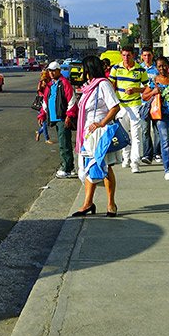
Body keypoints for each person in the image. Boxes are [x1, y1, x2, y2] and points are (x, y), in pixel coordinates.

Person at [71, 52, 122, 216]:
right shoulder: (88, 86)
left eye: (83, 69)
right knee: (88, 167)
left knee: (105, 167)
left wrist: (101, 123)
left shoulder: (103, 84)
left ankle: (110, 203)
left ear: (89, 69)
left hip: (100, 133)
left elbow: (115, 107)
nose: (82, 73)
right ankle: (88, 203)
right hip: (87, 135)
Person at [109, 46, 148, 173]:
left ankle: (135, 161)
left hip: (135, 104)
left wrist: (135, 90)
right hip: (121, 106)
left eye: (128, 55)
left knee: (136, 134)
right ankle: (126, 157)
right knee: (124, 134)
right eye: (124, 55)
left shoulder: (140, 70)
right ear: (121, 55)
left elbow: (147, 88)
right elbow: (111, 86)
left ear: (133, 55)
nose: (126, 58)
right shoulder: (116, 68)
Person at [42, 62, 77, 178]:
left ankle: (66, 168)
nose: (51, 73)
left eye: (53, 70)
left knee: (64, 144)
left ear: (59, 71)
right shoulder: (50, 84)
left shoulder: (64, 83)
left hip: (62, 117)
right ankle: (70, 167)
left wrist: (69, 115)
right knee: (64, 143)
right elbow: (45, 101)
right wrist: (42, 114)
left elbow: (72, 100)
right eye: (49, 71)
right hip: (55, 117)